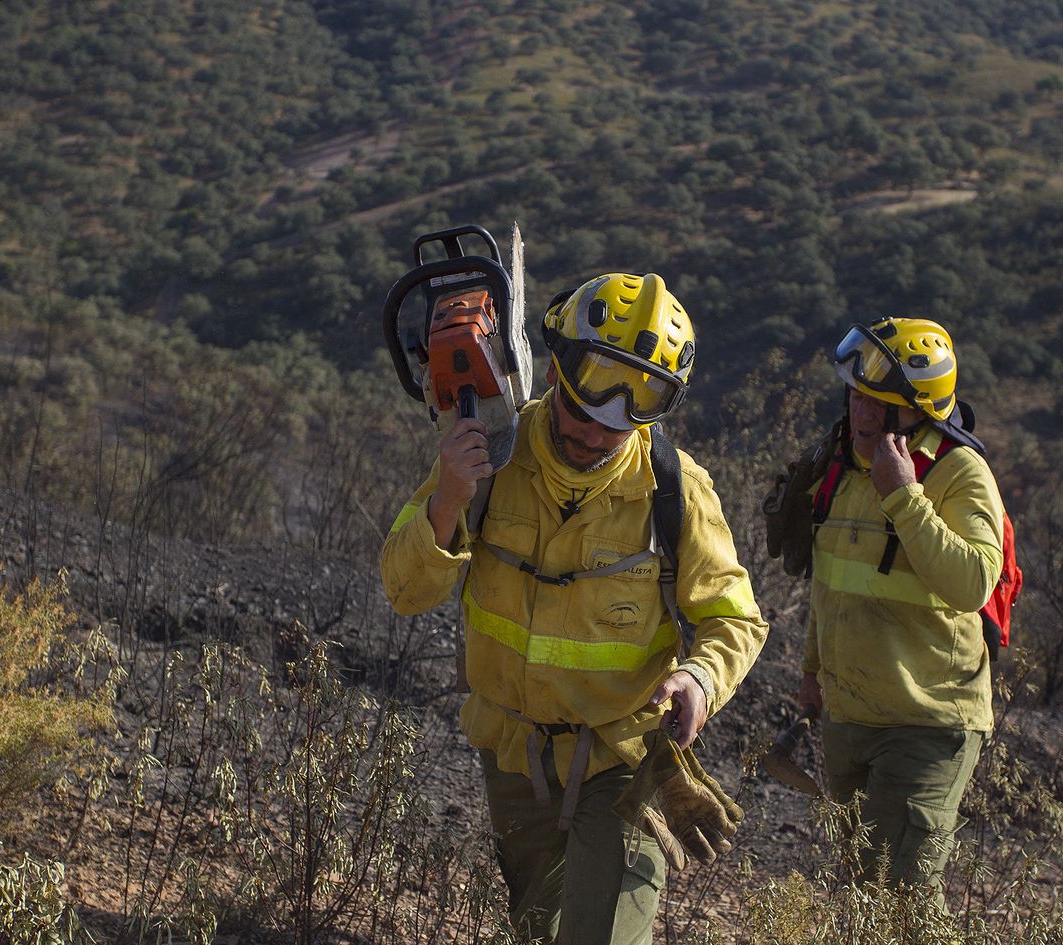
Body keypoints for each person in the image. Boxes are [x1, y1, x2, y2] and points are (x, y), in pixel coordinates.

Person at [381, 272, 768, 945]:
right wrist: (447, 499)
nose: (597, 435)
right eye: (585, 413)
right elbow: (404, 590)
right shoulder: (488, 457)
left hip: (623, 759)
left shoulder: (674, 489)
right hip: (515, 760)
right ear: (555, 372)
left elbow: (735, 618)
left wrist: (700, 678)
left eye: (624, 423)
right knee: (539, 929)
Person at [796, 316, 1006, 912]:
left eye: (879, 404)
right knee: (864, 896)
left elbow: (973, 582)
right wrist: (812, 670)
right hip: (849, 717)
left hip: (927, 723)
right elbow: (831, 583)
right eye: (856, 395)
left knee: (902, 899)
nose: (860, 412)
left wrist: (904, 496)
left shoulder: (960, 473)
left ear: (919, 412)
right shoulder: (843, 466)